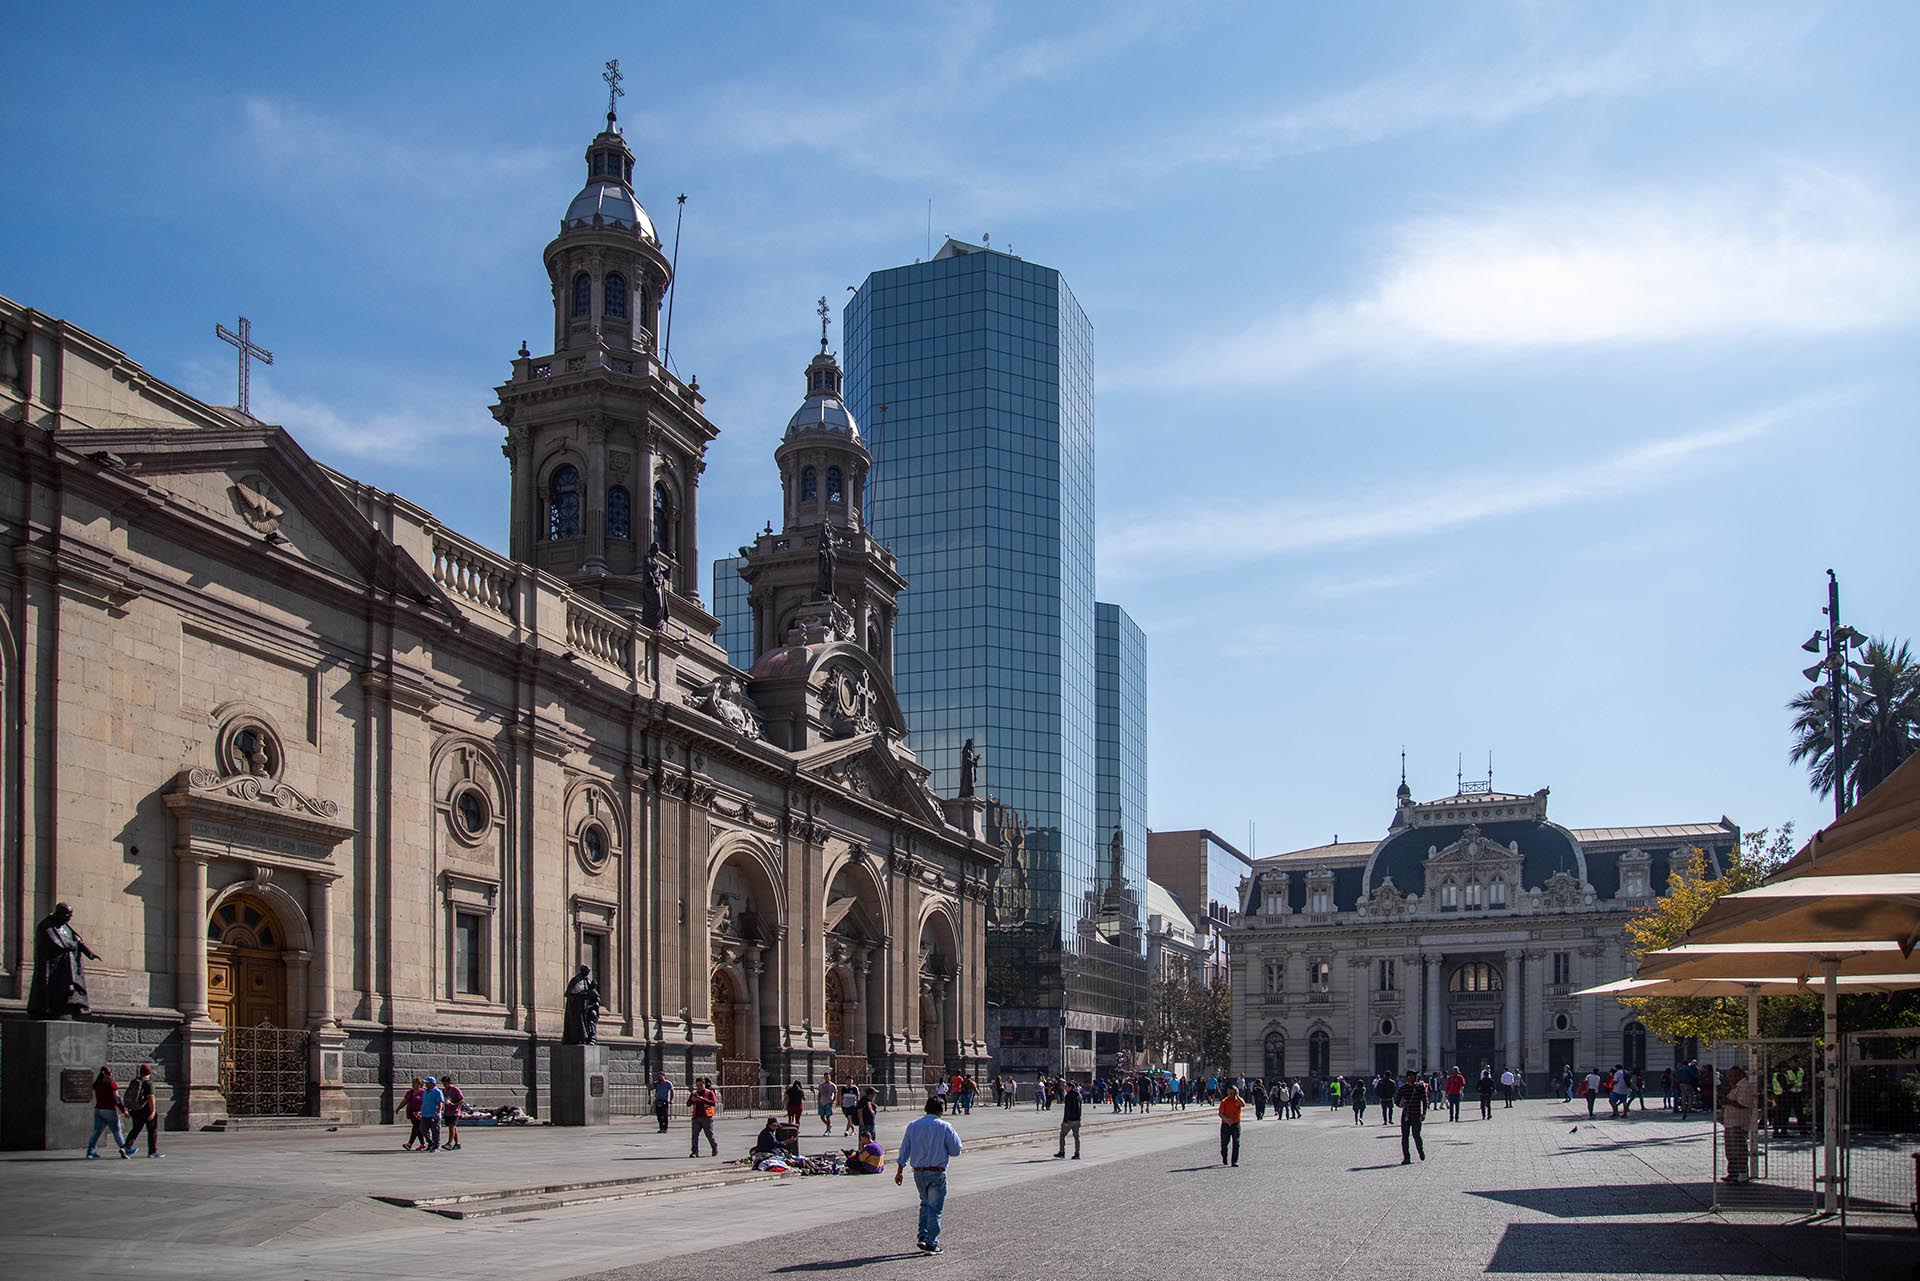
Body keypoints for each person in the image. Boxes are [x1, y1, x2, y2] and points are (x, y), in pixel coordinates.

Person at [896, 1095, 964, 1255]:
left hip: (918, 1172)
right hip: (936, 1172)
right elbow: (956, 1149)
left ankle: (923, 1235)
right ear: (941, 1110)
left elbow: (904, 1149)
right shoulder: (945, 1126)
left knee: (925, 1203)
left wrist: (899, 1171)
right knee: (935, 1208)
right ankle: (931, 1243)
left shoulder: (913, 1126)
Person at [1720, 1065, 1757, 1183]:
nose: (1729, 1078)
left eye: (1731, 1075)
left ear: (1739, 1074)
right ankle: (1733, 1172)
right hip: (1730, 1122)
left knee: (1739, 1148)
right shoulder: (1734, 1087)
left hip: (1738, 1122)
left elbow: (1744, 1103)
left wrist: (1728, 1101)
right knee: (1730, 1149)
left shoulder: (1745, 1086)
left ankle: (1742, 1172)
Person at [85, 1065, 129, 1159]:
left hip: (98, 1110)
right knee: (117, 1131)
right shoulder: (111, 1084)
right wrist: (123, 1110)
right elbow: (116, 1099)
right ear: (109, 1074)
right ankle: (125, 1149)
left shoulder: (97, 1083)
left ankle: (90, 1151)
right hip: (109, 1110)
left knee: (96, 1131)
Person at [121, 1062, 162, 1158]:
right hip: (146, 1110)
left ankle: (125, 1147)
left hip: (135, 1110)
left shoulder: (135, 1081)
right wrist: (153, 1111)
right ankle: (152, 1152)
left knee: (135, 1129)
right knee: (152, 1130)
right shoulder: (149, 1083)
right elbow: (151, 1097)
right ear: (149, 1072)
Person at [1396, 1069, 1428, 1164]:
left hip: (1416, 1114)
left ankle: (1420, 1150)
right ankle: (1406, 1157)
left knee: (1416, 1135)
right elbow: (1397, 1102)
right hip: (1406, 1115)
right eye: (1414, 1076)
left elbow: (1425, 1100)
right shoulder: (1402, 1088)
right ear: (1409, 1077)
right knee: (1405, 1136)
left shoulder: (1420, 1087)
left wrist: (1424, 1113)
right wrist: (1402, 1103)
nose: (1416, 1077)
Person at [689, 1076, 719, 1157]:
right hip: (696, 1117)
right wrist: (692, 1100)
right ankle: (695, 1152)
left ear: (704, 1084)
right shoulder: (694, 1093)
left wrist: (703, 1099)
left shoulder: (709, 1093)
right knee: (694, 1136)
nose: (699, 1087)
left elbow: (714, 1103)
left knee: (709, 1134)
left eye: (700, 1085)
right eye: (697, 1085)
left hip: (707, 1117)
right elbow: (688, 1104)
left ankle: (714, 1146)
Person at [1054, 1079, 1083, 1159]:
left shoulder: (1068, 1096)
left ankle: (1062, 1152)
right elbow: (1080, 1109)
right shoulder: (1079, 1096)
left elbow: (1067, 1109)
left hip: (1069, 1120)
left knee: (1062, 1135)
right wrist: (1079, 1119)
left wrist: (1065, 1121)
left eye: (1066, 1087)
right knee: (1077, 1137)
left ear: (1070, 1087)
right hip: (1077, 1120)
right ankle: (1077, 1153)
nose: (1065, 1088)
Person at [418, 1076, 445, 1152]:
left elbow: (440, 1103)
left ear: (432, 1084)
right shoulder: (425, 1092)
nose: (425, 1084)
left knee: (435, 1131)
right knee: (423, 1129)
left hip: (434, 1114)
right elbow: (424, 1102)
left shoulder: (437, 1092)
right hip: (425, 1114)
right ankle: (431, 1143)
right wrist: (420, 1111)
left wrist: (438, 1112)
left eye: (427, 1083)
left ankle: (436, 1146)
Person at [1218, 1084, 1243, 1166]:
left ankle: (1234, 1161)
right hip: (1226, 1125)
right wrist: (1226, 1119)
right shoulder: (1224, 1101)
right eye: (1230, 1093)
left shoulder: (1237, 1100)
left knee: (1236, 1142)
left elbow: (1243, 1104)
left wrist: (1238, 1096)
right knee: (1224, 1143)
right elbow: (1220, 1113)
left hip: (1236, 1124)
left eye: (1233, 1093)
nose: (1231, 1094)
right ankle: (1224, 1156)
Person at [441, 1073, 465, 1150]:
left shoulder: (455, 1090)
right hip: (447, 1111)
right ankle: (457, 1143)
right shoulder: (444, 1090)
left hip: (454, 1111)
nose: (444, 1085)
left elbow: (462, 1100)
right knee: (452, 1128)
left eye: (445, 1083)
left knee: (452, 1127)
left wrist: (454, 1104)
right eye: (443, 1084)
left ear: (449, 1082)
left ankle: (449, 1143)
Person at [402, 1076, 426, 1150]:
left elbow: (426, 1102)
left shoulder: (423, 1092)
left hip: (419, 1112)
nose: (413, 1085)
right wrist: (398, 1108)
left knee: (416, 1127)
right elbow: (405, 1101)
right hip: (411, 1112)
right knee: (417, 1128)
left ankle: (410, 1144)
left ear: (419, 1084)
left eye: (415, 1083)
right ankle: (423, 1144)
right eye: (412, 1083)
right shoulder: (410, 1092)